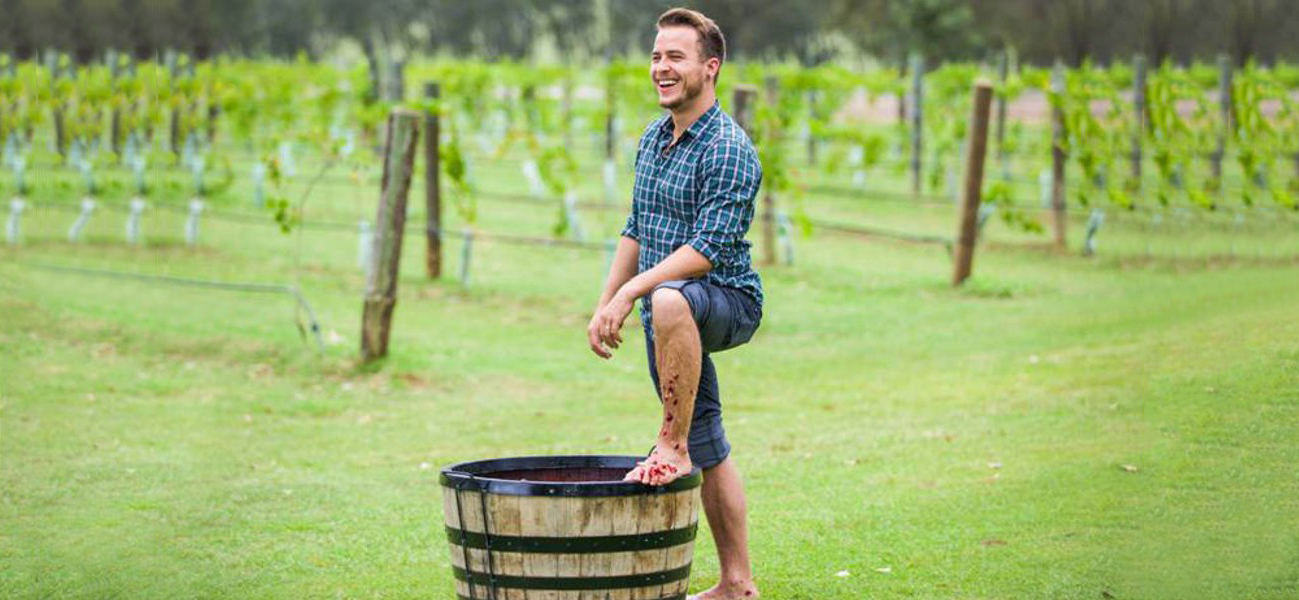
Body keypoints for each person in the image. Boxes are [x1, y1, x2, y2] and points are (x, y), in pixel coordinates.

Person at [586, 8, 763, 600]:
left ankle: (669, 445)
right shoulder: (653, 138)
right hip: (665, 312)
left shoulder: (730, 148)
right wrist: (606, 301)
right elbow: (636, 228)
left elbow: (707, 249)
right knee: (710, 438)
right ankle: (737, 584)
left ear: (709, 68)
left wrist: (636, 291)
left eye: (676, 57)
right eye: (657, 56)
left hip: (725, 301)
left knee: (666, 299)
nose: (661, 67)